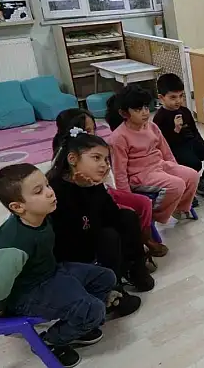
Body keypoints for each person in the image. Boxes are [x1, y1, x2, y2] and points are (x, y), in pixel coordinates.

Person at [0, 163, 116, 367]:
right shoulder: (13, 245)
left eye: (47, 185)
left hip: (51, 273)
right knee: (94, 309)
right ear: (18, 207)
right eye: (39, 191)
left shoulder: (40, 216)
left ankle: (81, 321)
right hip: (27, 293)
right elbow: (0, 284)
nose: (49, 192)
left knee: (106, 278)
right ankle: (50, 341)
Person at [47, 129, 154, 301]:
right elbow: (81, 227)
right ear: (72, 159)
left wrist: (95, 188)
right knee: (108, 236)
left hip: (90, 233)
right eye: (96, 158)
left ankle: (134, 267)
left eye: (105, 159)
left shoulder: (90, 181)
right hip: (72, 250)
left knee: (127, 216)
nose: (104, 164)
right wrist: (85, 191)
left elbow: (111, 214)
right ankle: (112, 287)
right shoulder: (55, 189)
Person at [52, 108, 168, 258]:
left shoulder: (96, 149)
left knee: (140, 206)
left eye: (93, 129)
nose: (91, 134)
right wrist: (90, 187)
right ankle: (135, 245)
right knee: (122, 219)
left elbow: (107, 186)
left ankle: (144, 241)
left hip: (106, 190)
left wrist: (100, 183)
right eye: (87, 130)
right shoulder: (65, 165)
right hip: (88, 214)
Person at [106, 85, 200, 225]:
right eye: (138, 109)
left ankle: (179, 209)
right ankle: (153, 215)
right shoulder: (119, 137)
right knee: (176, 185)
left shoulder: (152, 127)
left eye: (146, 107)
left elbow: (166, 152)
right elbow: (119, 172)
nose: (145, 112)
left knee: (192, 175)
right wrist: (128, 199)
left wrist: (175, 169)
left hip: (159, 166)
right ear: (124, 113)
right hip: (140, 176)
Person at [153, 73, 204, 199]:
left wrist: (201, 144)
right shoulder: (159, 117)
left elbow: (194, 131)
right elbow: (161, 143)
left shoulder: (185, 111)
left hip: (192, 143)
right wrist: (176, 130)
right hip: (175, 149)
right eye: (173, 97)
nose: (178, 101)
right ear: (161, 97)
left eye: (181, 96)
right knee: (194, 164)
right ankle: (187, 189)